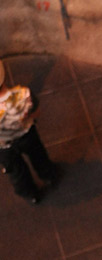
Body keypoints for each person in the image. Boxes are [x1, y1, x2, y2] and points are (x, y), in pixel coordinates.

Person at [0, 59, 57, 205]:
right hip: (26, 134)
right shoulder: (24, 94)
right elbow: (36, 112)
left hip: (3, 147)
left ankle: (30, 194)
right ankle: (49, 175)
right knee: (38, 155)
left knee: (16, 172)